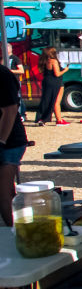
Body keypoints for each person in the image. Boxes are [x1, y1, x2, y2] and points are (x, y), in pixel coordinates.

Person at [0, 61, 29, 226]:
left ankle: (17, 234)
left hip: (10, 141)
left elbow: (10, 110)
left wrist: (1, 141)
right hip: (7, 141)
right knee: (7, 191)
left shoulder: (3, 74)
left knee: (3, 193)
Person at [34, 46, 68, 125]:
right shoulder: (53, 61)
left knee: (46, 100)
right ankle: (57, 120)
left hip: (46, 81)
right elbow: (57, 74)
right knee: (55, 101)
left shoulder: (43, 60)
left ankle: (41, 118)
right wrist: (65, 70)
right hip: (55, 82)